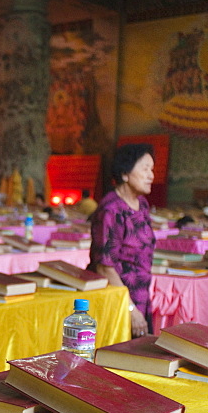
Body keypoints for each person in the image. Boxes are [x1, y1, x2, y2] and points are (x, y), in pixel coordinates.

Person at [89, 143, 156, 338]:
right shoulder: (111, 210)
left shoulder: (141, 204)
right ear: (125, 174)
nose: (151, 175)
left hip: (141, 296)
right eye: (145, 169)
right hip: (118, 302)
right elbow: (104, 267)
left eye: (152, 169)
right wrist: (130, 309)